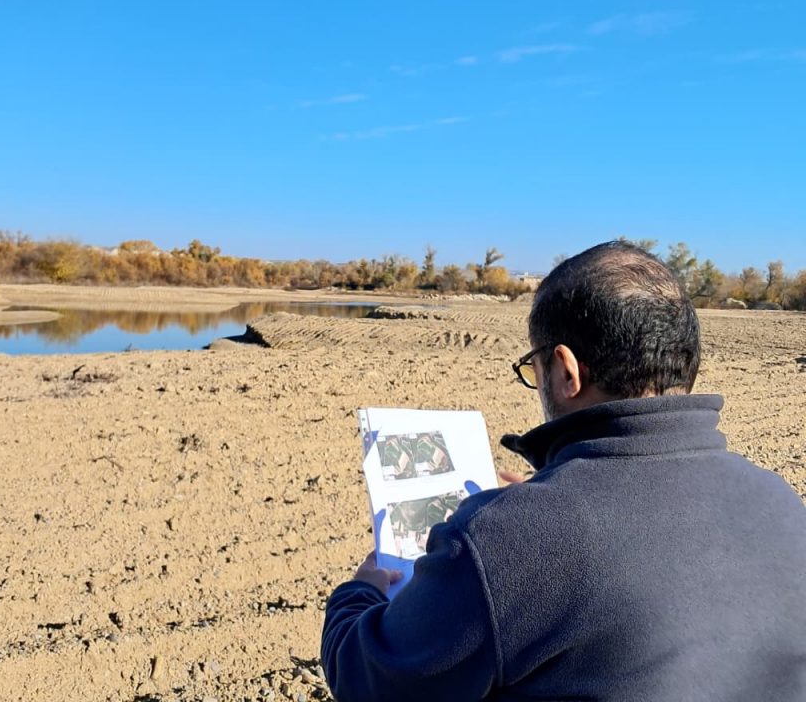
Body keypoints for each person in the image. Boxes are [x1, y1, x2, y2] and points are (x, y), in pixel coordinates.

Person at [320, 241, 806, 702]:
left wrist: (359, 593)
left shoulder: (509, 537)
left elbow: (370, 678)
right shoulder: (781, 503)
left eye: (534, 367)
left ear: (566, 369)